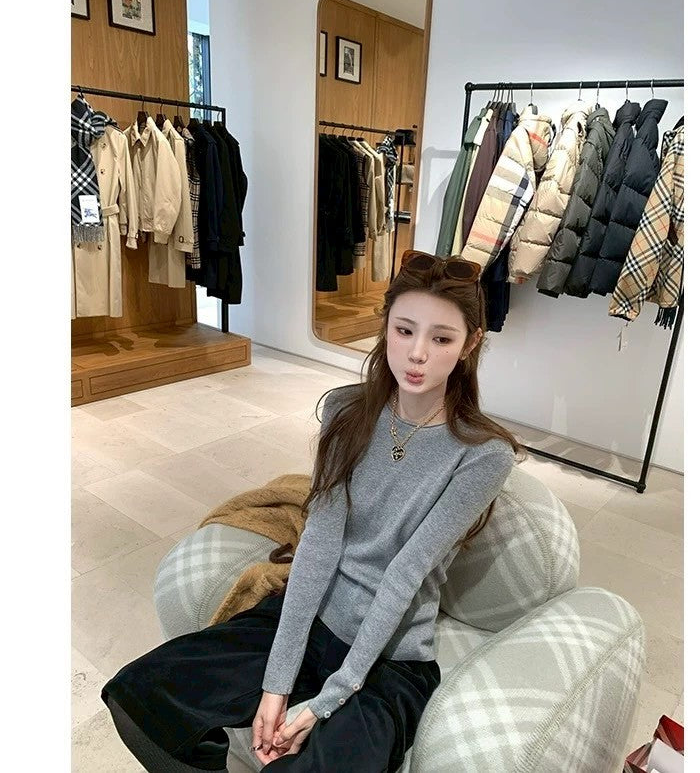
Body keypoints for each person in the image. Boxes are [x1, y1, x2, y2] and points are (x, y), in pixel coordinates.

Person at [100, 249, 521, 772]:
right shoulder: (345, 411)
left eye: (441, 339)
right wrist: (277, 683)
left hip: (388, 658)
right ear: (385, 326)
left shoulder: (483, 454)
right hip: (312, 617)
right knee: (138, 695)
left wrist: (330, 697)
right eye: (404, 330)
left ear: (470, 344)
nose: (417, 354)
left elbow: (406, 573)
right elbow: (319, 544)